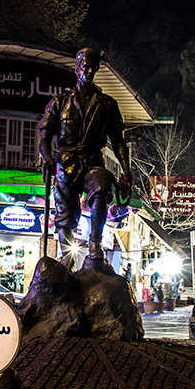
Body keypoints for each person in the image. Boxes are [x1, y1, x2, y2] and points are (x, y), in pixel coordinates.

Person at [39, 48, 132, 266]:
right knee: (65, 213)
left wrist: (127, 172)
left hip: (92, 162)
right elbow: (45, 137)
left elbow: (118, 141)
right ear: (77, 68)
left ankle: (95, 245)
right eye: (85, 67)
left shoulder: (107, 104)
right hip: (66, 163)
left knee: (101, 187)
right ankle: (66, 256)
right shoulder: (59, 102)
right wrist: (47, 158)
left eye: (93, 68)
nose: (89, 72)